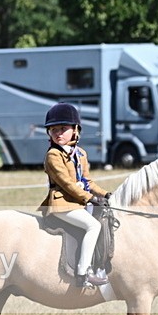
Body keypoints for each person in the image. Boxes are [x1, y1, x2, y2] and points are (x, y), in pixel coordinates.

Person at [39, 103, 111, 287]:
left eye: (63, 129)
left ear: (75, 130)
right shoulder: (53, 155)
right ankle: (83, 273)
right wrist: (90, 198)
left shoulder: (80, 154)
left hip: (78, 202)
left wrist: (106, 195)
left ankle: (100, 264)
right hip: (62, 203)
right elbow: (67, 184)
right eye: (53, 130)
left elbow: (88, 182)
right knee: (93, 226)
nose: (58, 133)